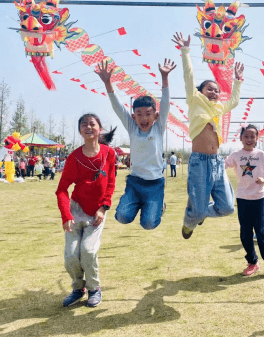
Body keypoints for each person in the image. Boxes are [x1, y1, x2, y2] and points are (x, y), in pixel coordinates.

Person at [172, 32, 244, 239]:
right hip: (199, 162)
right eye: (209, 89)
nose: (214, 93)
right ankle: (190, 220)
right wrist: (185, 51)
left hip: (216, 162)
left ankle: (199, 212)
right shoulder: (194, 100)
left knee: (228, 207)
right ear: (200, 91)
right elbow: (189, 77)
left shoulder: (219, 108)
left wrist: (237, 82)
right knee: (198, 210)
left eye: (216, 91)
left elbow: (234, 102)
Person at [96, 57, 175, 230]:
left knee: (149, 224)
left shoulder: (158, 128)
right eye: (139, 114)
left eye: (148, 114)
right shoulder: (133, 129)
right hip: (135, 182)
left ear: (155, 116)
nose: (144, 118)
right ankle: (138, 203)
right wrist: (108, 83)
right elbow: (118, 107)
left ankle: (156, 206)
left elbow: (166, 105)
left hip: (155, 184)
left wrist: (164, 78)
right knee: (122, 217)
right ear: (133, 117)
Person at [55, 113, 116, 308]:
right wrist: (66, 215)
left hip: (97, 211)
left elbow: (111, 183)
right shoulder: (74, 157)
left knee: (88, 251)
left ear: (100, 128)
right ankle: (78, 288)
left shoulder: (109, 153)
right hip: (77, 210)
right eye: (84, 125)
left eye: (92, 124)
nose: (88, 127)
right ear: (80, 130)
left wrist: (103, 208)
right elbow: (62, 190)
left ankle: (94, 289)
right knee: (72, 255)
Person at [225, 125, 264, 279]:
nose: (249, 139)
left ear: (257, 139)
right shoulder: (236, 155)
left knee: (261, 232)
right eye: (246, 136)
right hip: (242, 199)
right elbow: (223, 165)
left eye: (252, 136)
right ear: (241, 138)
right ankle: (252, 263)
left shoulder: (262, 155)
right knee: (245, 234)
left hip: (259, 199)